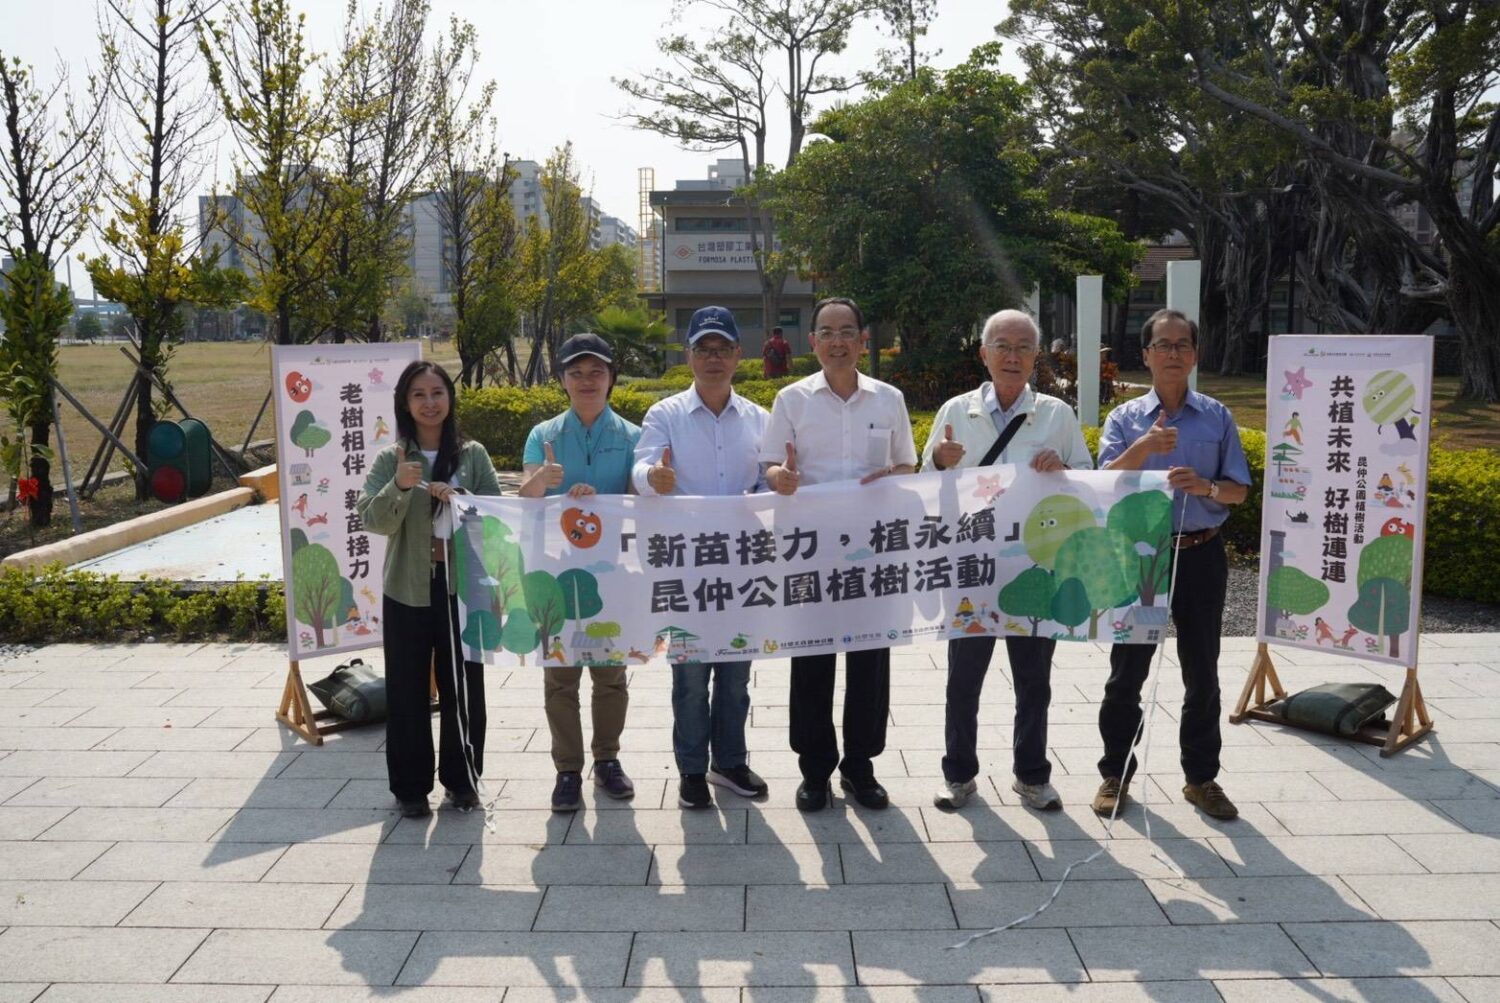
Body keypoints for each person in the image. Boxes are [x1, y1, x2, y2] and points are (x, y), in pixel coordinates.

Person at [921, 310, 1092, 813]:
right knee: (963, 679)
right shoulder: (956, 410)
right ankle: (958, 775)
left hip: (1035, 568)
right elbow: (922, 487)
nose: (1012, 356)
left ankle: (1032, 775)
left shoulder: (1056, 415)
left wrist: (1063, 469)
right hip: (971, 567)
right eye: (1002, 346)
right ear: (984, 354)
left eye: (1023, 347)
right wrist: (937, 462)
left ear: (1037, 356)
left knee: (1034, 680)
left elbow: (1087, 480)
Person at [1092, 308, 1251, 821]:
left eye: (1183, 344)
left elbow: (1239, 491)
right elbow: (1103, 483)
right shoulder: (1124, 419)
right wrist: (1143, 448)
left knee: (1201, 673)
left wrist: (1204, 487)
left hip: (1202, 552)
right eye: (1163, 345)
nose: (1174, 353)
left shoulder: (1217, 417)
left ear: (1195, 354)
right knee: (1127, 674)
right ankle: (1115, 774)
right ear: (1146, 355)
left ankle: (1201, 779)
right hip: (1142, 558)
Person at [760, 296, 917, 812]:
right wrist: (780, 478)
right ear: (813, 342)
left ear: (863, 339)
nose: (837, 341)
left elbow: (907, 468)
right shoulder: (792, 400)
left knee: (870, 662)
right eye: (826, 332)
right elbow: (770, 467)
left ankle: (860, 767)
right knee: (812, 662)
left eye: (847, 331)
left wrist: (890, 477)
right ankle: (814, 771)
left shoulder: (888, 398)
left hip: (874, 555)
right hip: (811, 553)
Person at [633, 305, 772, 810]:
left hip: (740, 567)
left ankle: (729, 762)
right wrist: (654, 479)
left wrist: (776, 482)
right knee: (690, 677)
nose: (713, 358)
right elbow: (641, 467)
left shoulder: (760, 418)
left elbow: (767, 480)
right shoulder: (665, 415)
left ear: (739, 355)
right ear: (690, 355)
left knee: (735, 676)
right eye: (703, 349)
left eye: (722, 349)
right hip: (686, 570)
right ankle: (691, 769)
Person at [357, 360, 501, 818]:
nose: (430, 402)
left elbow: (496, 519)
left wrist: (463, 504)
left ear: (450, 398)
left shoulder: (473, 455)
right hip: (408, 588)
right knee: (407, 686)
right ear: (405, 402)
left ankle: (462, 781)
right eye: (418, 394)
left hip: (462, 589)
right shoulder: (392, 458)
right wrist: (401, 487)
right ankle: (410, 788)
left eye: (437, 392)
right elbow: (373, 521)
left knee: (464, 685)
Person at [520, 333, 642, 812]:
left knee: (611, 676)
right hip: (555, 575)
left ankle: (607, 760)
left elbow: (642, 503)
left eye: (596, 372)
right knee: (561, 677)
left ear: (611, 378)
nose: (586, 381)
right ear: (563, 380)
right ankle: (567, 769)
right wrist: (543, 481)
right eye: (576, 373)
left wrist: (615, 502)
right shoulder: (543, 435)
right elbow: (525, 502)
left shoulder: (632, 436)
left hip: (613, 574)